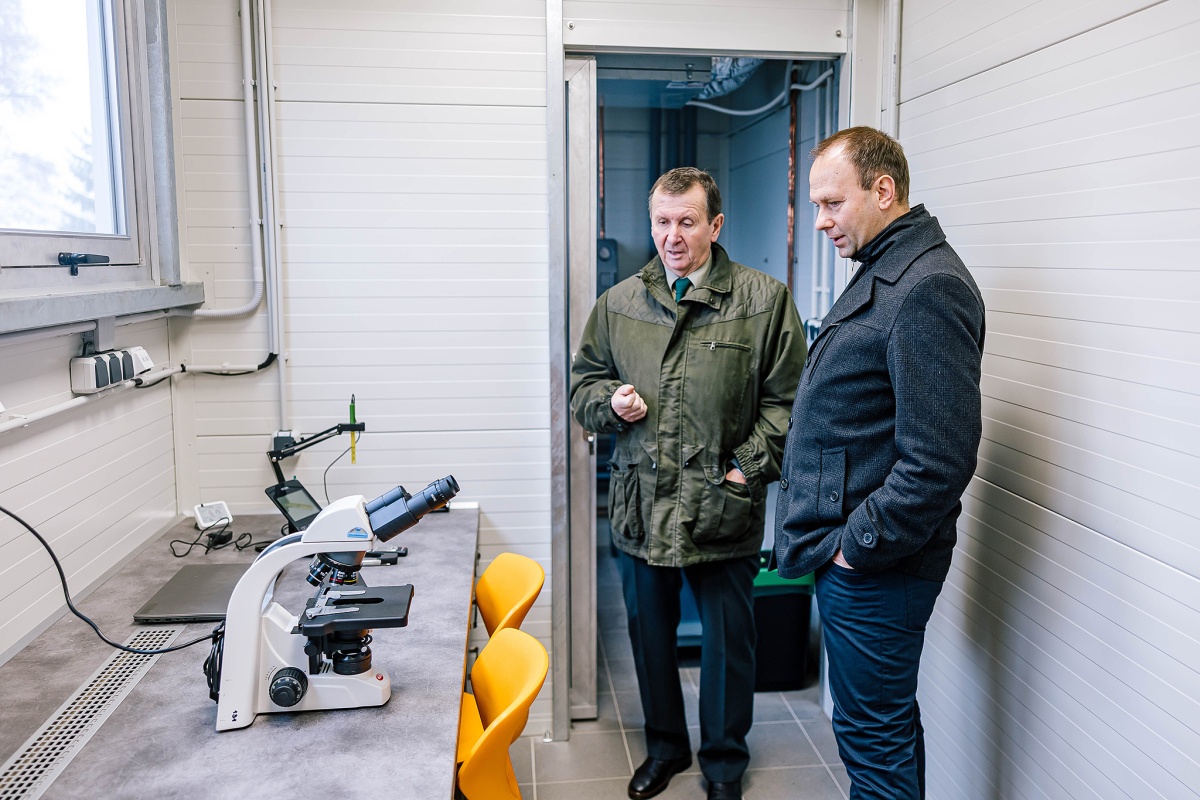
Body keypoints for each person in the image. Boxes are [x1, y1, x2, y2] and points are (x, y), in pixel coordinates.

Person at [570, 167, 807, 800]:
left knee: (729, 648)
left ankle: (724, 764)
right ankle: (666, 749)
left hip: (722, 506)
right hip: (643, 506)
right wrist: (608, 403)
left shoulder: (763, 302)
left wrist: (745, 467)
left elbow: (790, 403)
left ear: (715, 225)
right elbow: (583, 385)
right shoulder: (619, 304)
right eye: (662, 222)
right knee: (650, 640)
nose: (672, 236)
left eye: (687, 222)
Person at [773, 126, 985, 799]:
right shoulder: (890, 268)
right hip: (862, 560)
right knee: (883, 730)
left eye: (832, 203)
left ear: (883, 189)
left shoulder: (928, 288)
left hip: (877, 567)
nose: (821, 221)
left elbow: (938, 459)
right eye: (816, 205)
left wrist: (854, 549)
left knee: (874, 745)